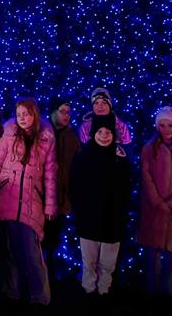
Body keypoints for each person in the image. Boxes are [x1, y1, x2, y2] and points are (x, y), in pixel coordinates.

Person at [0, 98, 56, 306]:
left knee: (32, 255)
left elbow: (50, 174)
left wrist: (50, 204)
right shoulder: (9, 134)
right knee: (9, 251)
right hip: (6, 197)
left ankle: (40, 296)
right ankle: (12, 292)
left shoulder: (46, 138)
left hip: (31, 201)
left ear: (34, 115)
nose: (22, 118)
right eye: (19, 115)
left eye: (26, 114)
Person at [69, 114, 131, 297]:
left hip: (113, 218)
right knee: (89, 259)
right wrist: (79, 209)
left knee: (108, 261)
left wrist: (121, 210)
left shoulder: (120, 158)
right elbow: (75, 185)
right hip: (89, 217)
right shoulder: (83, 156)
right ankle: (88, 288)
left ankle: (104, 289)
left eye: (108, 132)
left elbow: (127, 187)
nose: (104, 135)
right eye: (100, 132)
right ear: (93, 133)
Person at [138, 106, 172, 297]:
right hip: (154, 211)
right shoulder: (148, 149)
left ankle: (170, 294)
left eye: (170, 125)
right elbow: (146, 177)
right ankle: (151, 293)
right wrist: (158, 203)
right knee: (152, 257)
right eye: (162, 125)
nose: (166, 129)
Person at [44, 97, 80, 281]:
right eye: (62, 111)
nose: (67, 115)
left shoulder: (72, 137)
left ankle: (51, 275)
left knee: (54, 238)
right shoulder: (42, 133)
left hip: (61, 198)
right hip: (41, 196)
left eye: (68, 112)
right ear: (53, 112)